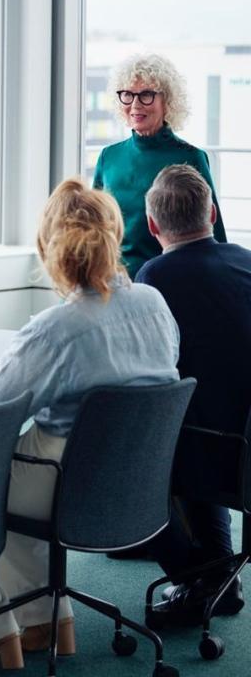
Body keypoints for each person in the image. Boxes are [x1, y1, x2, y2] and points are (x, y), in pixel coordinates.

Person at [0, 179, 180, 668]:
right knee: (14, 476)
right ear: (115, 234)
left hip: (64, 483)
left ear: (48, 247)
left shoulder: (56, 329)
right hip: (134, 482)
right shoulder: (155, 303)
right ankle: (48, 620)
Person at [136, 164, 251, 625]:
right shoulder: (245, 261)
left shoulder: (155, 276)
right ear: (213, 213)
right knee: (200, 423)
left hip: (200, 444)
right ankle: (218, 581)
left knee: (114, 471)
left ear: (152, 225)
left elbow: (142, 367)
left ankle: (205, 577)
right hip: (241, 444)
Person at [93, 53, 226, 279]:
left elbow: (214, 235)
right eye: (127, 94)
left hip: (174, 281)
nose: (135, 104)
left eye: (146, 95)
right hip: (115, 284)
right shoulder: (109, 157)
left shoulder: (192, 157)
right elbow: (93, 228)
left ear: (167, 101)